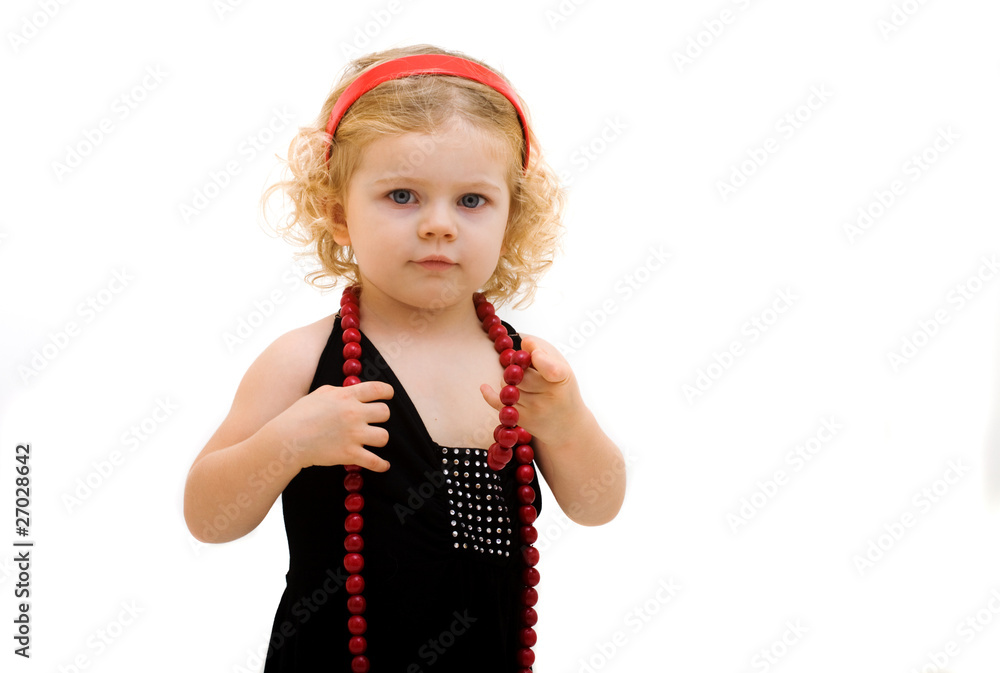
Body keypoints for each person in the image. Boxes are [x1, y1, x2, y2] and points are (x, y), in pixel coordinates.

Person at [183, 43, 626, 672]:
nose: (439, 225)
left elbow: (598, 506)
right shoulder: (303, 361)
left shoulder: (523, 371)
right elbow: (207, 517)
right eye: (402, 195)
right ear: (339, 214)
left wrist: (568, 423)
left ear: (512, 219)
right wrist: (290, 441)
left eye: (471, 201)